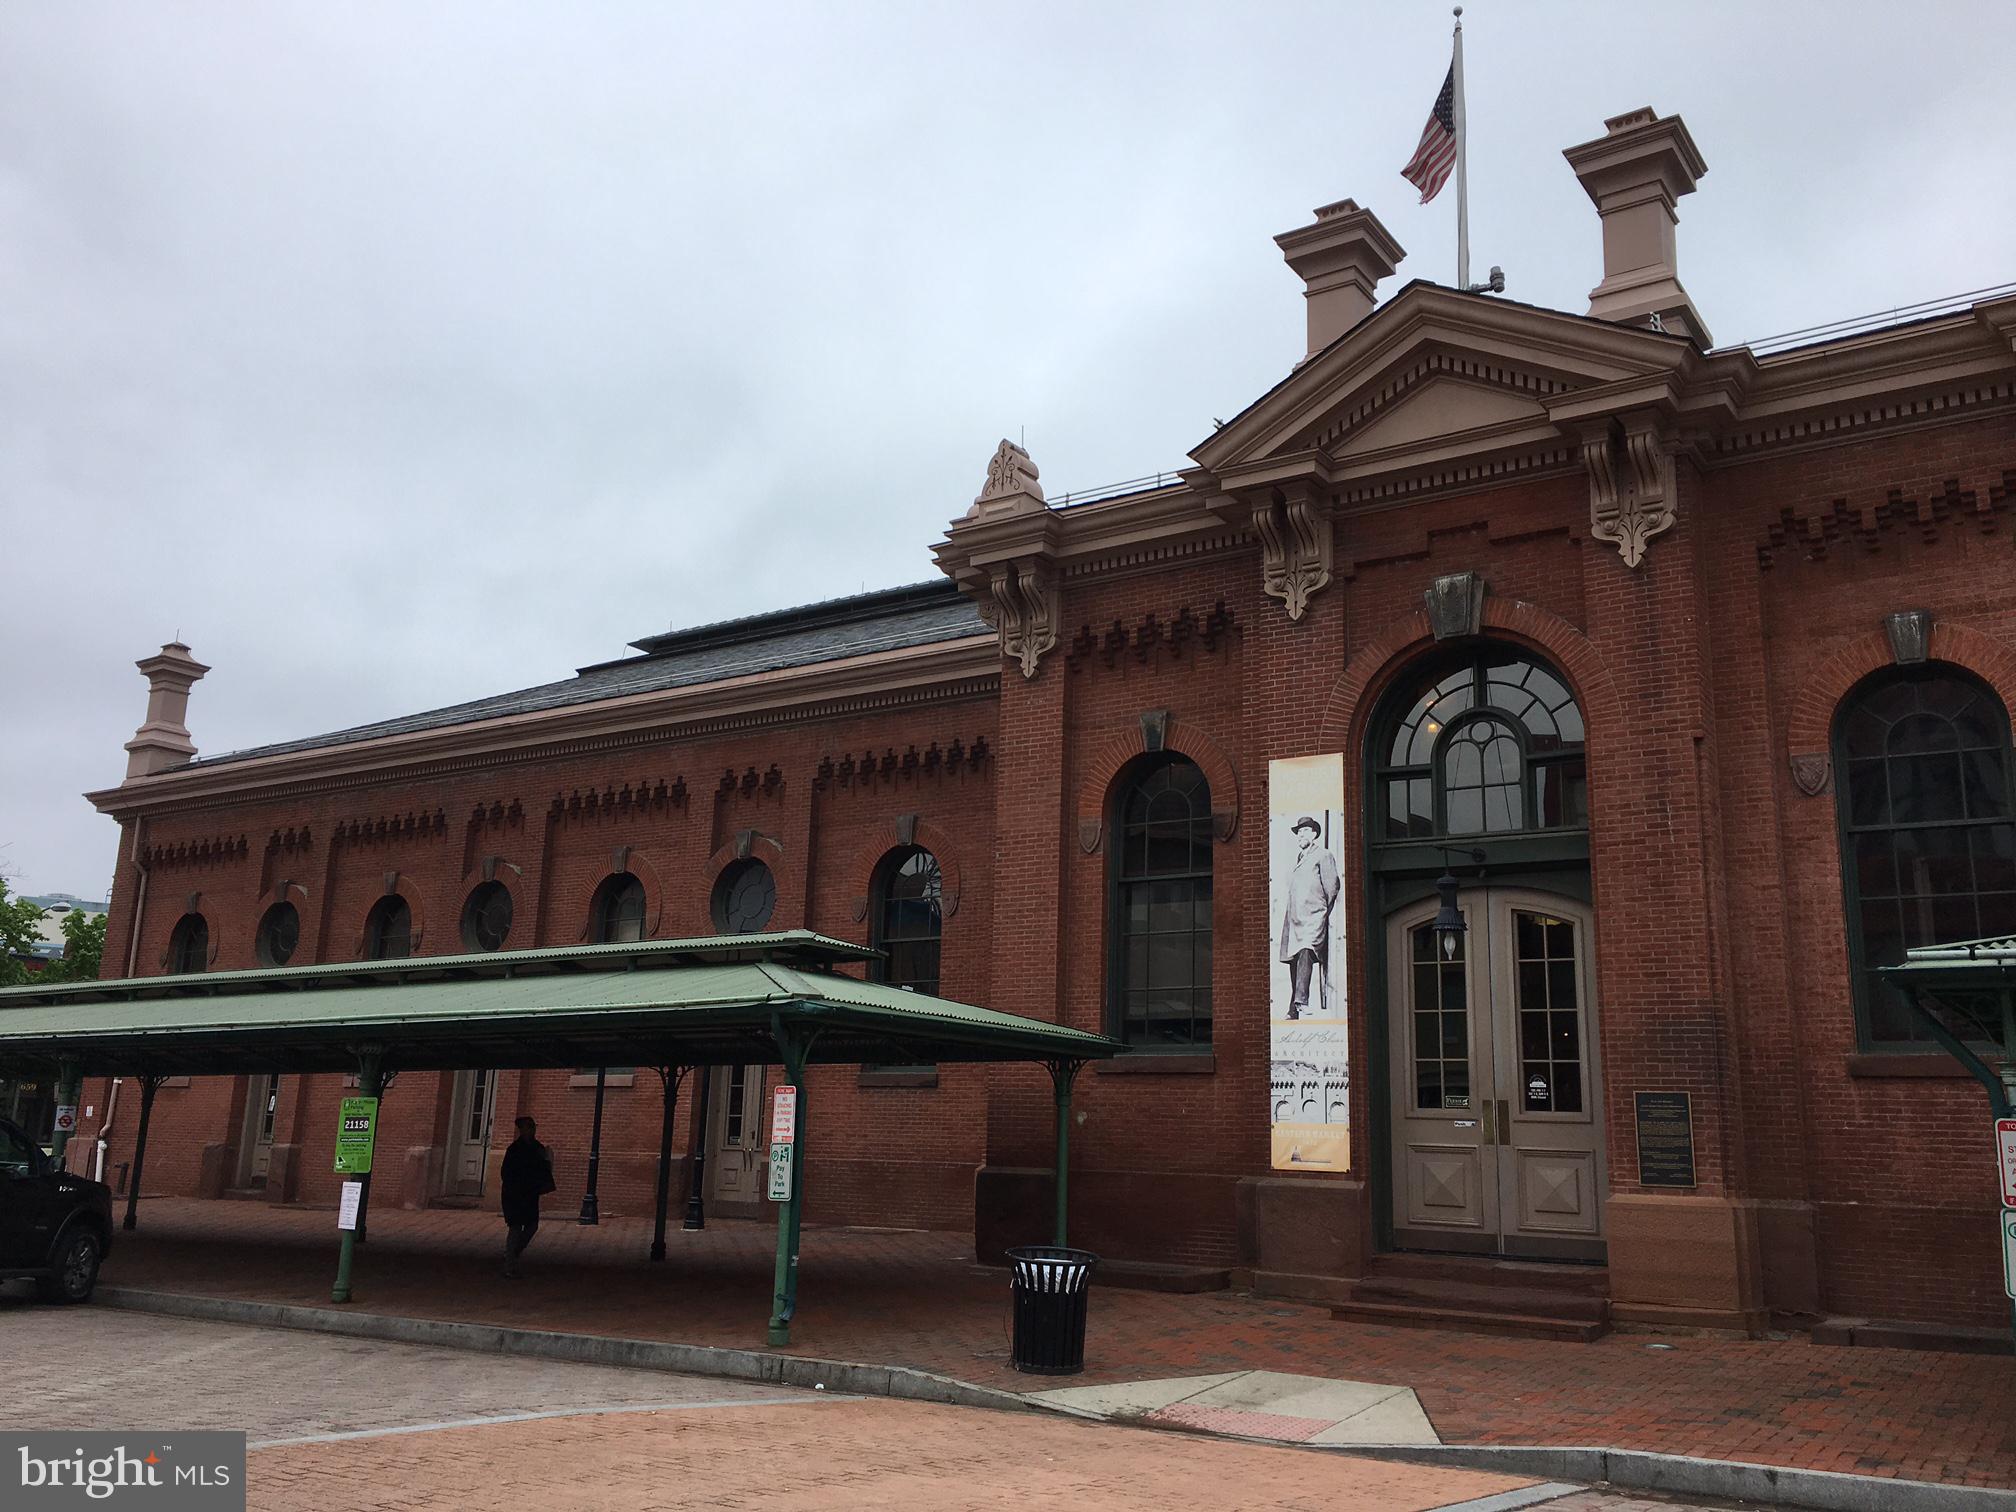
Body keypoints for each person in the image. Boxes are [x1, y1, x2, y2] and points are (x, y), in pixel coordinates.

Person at [1278, 814, 1340, 1019]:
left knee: (1306, 950)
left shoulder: (1323, 855)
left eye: (1304, 831)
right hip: (1295, 918)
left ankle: (1302, 1001)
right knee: (1294, 958)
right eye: (1299, 832)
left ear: (1314, 834)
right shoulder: (1300, 858)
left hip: (1313, 916)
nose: (1300, 835)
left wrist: (1321, 909)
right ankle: (1293, 1009)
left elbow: (1332, 887)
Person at [499, 1116, 555, 1278]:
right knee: (515, 1228)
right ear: (521, 1130)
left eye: (532, 1126)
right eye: (527, 1127)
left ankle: (513, 1253)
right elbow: (506, 1173)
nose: (531, 1130)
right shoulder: (514, 1149)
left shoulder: (538, 1148)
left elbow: (544, 1168)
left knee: (532, 1226)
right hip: (515, 1194)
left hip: (530, 1194)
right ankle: (509, 1266)